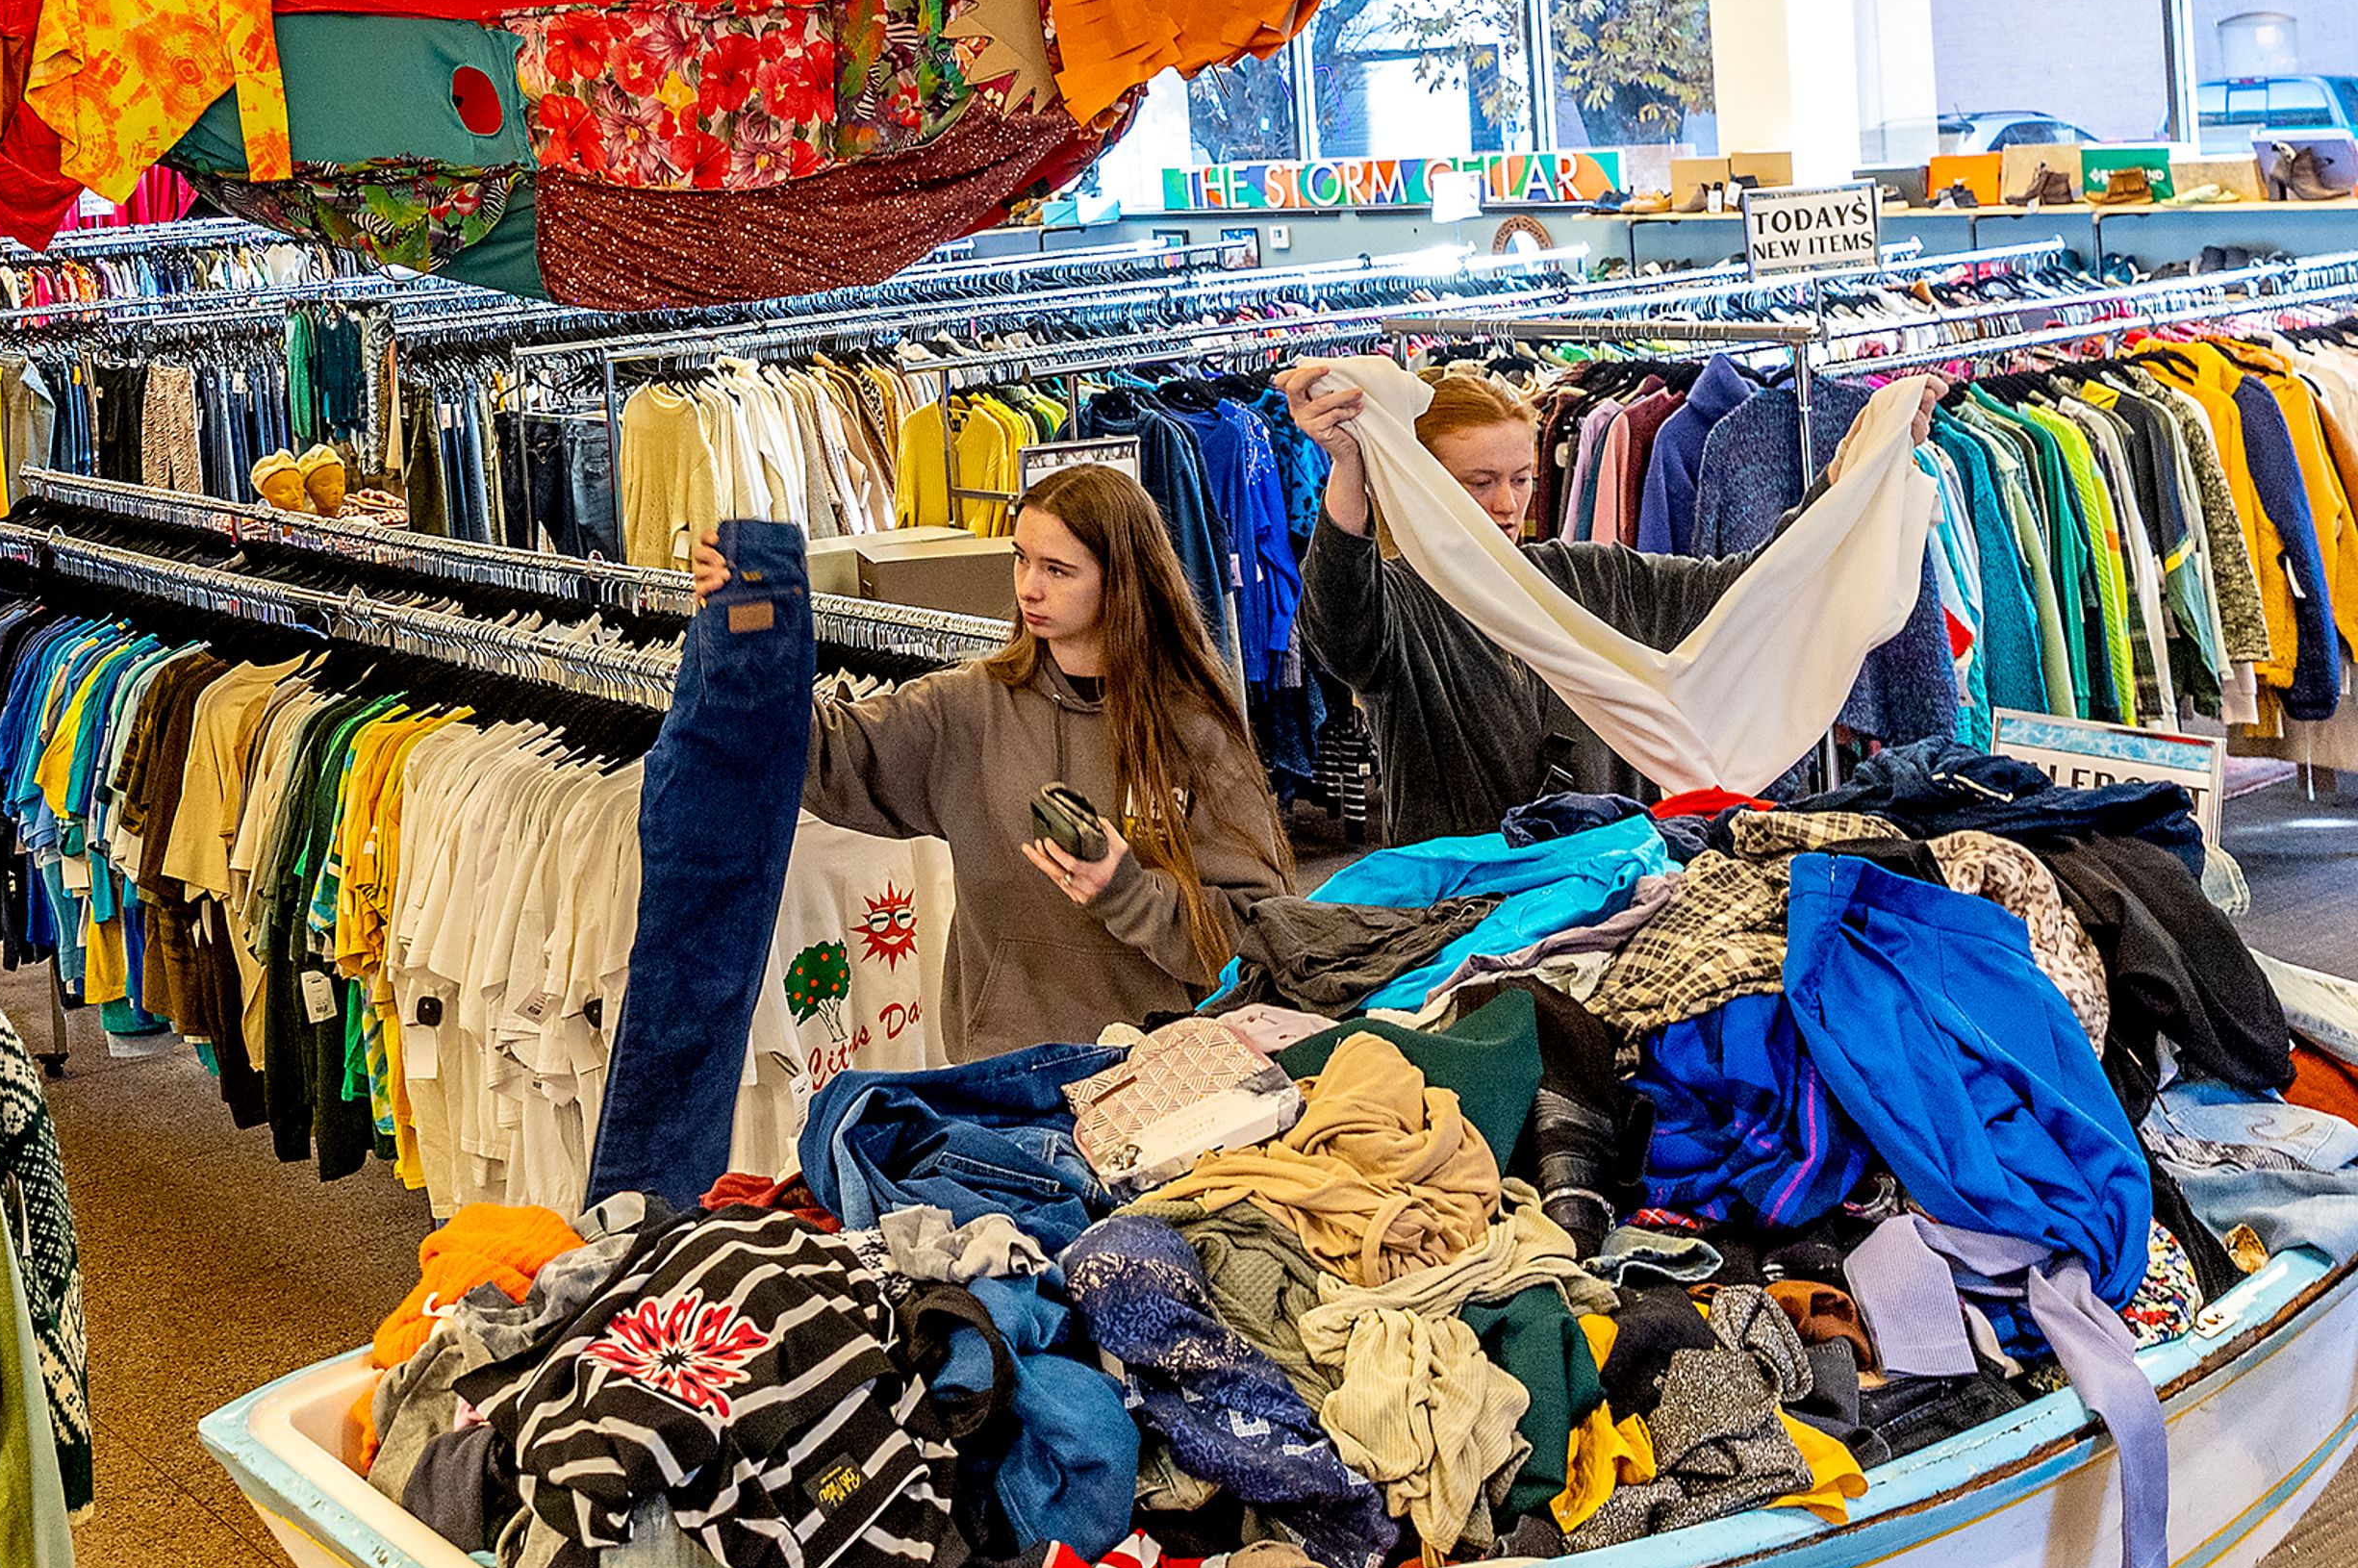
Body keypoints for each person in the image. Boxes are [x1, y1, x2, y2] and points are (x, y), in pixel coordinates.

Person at [694, 462, 1289, 1055]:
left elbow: (1258, 935)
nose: (1028, 586)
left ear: (1123, 581)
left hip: (1158, 1070)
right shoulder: (967, 709)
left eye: (1057, 570)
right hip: (1000, 1071)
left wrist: (1127, 891)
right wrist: (752, 626)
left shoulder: (1192, 731)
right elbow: (827, 756)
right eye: (1021, 558)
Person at [1277, 361, 1941, 843]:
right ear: (1423, 487)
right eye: (1477, 483)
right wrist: (1351, 466)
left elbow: (1749, 586)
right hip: (1465, 928)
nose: (1507, 505)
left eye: (1521, 479)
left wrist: (1851, 474)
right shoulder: (1401, 611)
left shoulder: (1591, 579)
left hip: (1610, 908)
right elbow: (1338, 628)